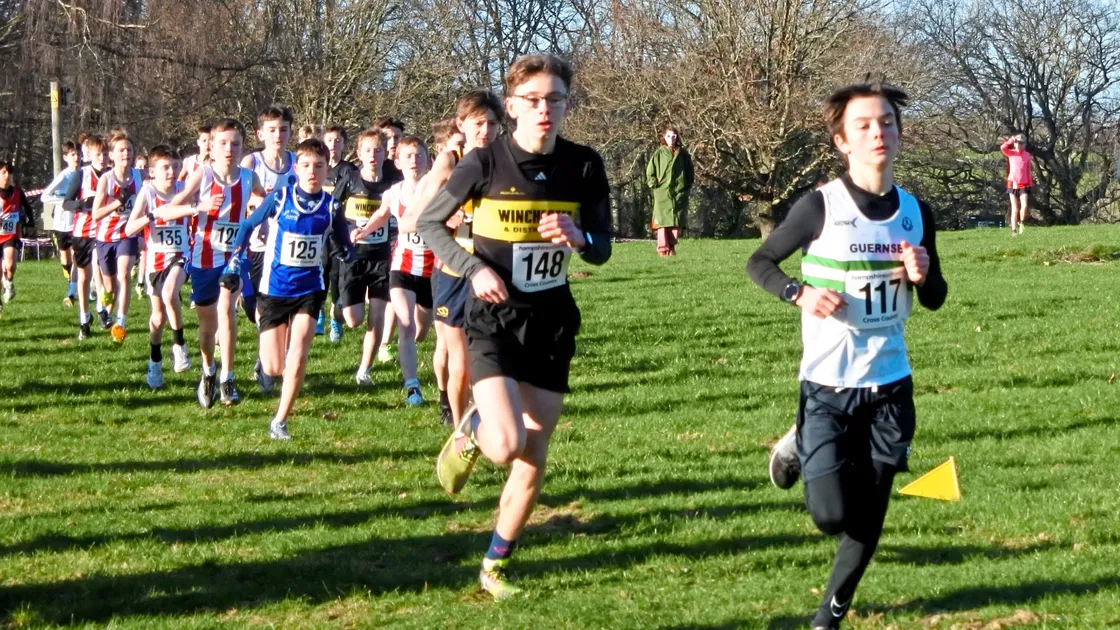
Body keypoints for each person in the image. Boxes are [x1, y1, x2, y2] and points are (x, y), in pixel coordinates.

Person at [746, 80, 948, 630]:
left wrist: (923, 275)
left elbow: (935, 298)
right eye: (864, 125)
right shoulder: (820, 207)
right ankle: (799, 442)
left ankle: (828, 617)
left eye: (886, 122)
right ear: (842, 141)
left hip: (891, 384)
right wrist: (800, 293)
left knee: (870, 512)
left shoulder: (915, 211)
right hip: (828, 384)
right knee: (832, 516)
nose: (878, 132)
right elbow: (759, 263)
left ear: (900, 133)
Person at [419, 54, 613, 600]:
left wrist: (579, 238)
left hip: (551, 324)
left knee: (533, 452)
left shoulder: (585, 165)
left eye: (555, 99)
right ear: (512, 107)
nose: (544, 109)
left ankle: (494, 565)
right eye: (532, 100)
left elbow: (603, 247)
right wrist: (474, 268)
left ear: (567, 105)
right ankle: (472, 428)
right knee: (505, 443)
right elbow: (429, 225)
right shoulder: (483, 162)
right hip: (494, 319)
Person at [226, 138, 354, 439]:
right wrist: (235, 259)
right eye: (306, 165)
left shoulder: (332, 205)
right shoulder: (280, 198)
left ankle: (280, 421)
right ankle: (265, 363)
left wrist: (349, 255)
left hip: (310, 290)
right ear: (296, 168)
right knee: (274, 367)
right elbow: (247, 226)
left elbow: (344, 243)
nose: (312, 172)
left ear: (326, 171)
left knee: (298, 354)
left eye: (319, 166)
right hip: (274, 289)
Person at [162, 117, 266, 408]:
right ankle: (209, 372)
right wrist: (199, 207)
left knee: (227, 309)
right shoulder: (203, 175)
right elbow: (169, 210)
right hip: (203, 258)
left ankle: (228, 379)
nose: (230, 149)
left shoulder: (248, 177)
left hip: (235, 257)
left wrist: (260, 214)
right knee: (208, 329)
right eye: (223, 143)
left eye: (236, 143)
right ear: (213, 146)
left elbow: (263, 197)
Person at [414, 92, 502, 430]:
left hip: (491, 271)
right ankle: (460, 427)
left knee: (488, 356)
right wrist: (446, 214)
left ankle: (484, 419)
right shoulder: (449, 161)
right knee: (461, 362)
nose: (485, 131)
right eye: (478, 123)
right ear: (461, 125)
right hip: (452, 271)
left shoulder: (503, 161)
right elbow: (415, 218)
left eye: (492, 124)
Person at [330, 128, 394, 385]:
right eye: (367, 150)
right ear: (359, 154)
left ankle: (364, 370)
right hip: (354, 257)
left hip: (381, 258)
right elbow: (332, 212)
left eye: (378, 150)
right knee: (354, 320)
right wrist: (346, 234)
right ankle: (337, 310)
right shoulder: (350, 180)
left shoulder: (392, 183)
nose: (373, 156)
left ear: (384, 153)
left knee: (377, 315)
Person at [124, 145, 192, 387]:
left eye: (175, 167)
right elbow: (129, 229)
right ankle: (154, 360)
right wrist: (153, 215)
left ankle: (180, 345)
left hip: (181, 255)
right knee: (158, 317)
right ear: (152, 171)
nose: (172, 172)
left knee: (169, 292)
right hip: (155, 260)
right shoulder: (148, 193)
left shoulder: (184, 190)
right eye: (166, 167)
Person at [384, 136, 434, 406]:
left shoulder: (440, 191)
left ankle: (409, 355)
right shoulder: (393, 193)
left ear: (428, 160)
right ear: (398, 162)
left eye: (419, 156)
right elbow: (382, 214)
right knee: (406, 325)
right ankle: (412, 386)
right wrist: (363, 230)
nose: (414, 161)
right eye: (409, 156)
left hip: (432, 271)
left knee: (420, 332)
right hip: (402, 267)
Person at [242, 106, 296, 331]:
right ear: (260, 134)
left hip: (286, 245)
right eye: (272, 130)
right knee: (253, 306)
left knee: (278, 302)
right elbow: (239, 200)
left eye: (283, 130)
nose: (278, 136)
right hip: (256, 244)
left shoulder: (297, 162)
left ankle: (269, 358)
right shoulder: (251, 163)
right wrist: (262, 204)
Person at [91, 132, 144, 343]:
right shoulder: (106, 179)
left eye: (129, 150)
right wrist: (116, 203)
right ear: (112, 155)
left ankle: (120, 322)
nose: (126, 153)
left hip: (127, 234)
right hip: (105, 236)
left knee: (124, 276)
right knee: (110, 287)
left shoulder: (139, 177)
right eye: (121, 150)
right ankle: (104, 304)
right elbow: (95, 214)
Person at [63, 135, 111, 338]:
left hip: (105, 232)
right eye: (98, 154)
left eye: (105, 154)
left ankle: (101, 307)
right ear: (89, 155)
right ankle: (84, 318)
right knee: (84, 277)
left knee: (104, 273)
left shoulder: (111, 175)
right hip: (83, 233)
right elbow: (66, 203)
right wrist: (82, 203)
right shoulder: (82, 175)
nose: (102, 158)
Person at [323, 124, 357, 343]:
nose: (333, 145)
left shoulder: (348, 171)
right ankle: (316, 314)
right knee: (319, 275)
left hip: (337, 231)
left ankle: (335, 319)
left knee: (335, 278)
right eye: (329, 140)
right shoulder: (317, 167)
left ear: (344, 144)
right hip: (318, 231)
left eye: (337, 140)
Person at [41, 141, 81, 307]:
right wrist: (64, 201)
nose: (77, 157)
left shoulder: (84, 174)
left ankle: (71, 292)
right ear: (65, 157)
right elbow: (44, 196)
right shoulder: (63, 177)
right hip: (61, 224)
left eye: (78, 154)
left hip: (78, 224)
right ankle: (70, 281)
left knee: (77, 258)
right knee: (66, 260)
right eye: (72, 154)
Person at [646, 125, 693, 256]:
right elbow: (650, 171)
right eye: (668, 136)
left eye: (673, 136)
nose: (671, 139)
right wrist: (655, 184)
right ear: (664, 138)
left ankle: (671, 247)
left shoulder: (683, 154)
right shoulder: (658, 153)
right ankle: (662, 249)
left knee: (675, 221)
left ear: (677, 137)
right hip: (662, 192)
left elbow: (690, 172)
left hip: (679, 192)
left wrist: (686, 185)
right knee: (662, 222)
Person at [0, 162, 31, 312]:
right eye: (3, 173)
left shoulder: (17, 192)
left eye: (9, 173)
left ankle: (9, 283)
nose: (7, 176)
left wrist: (30, 221)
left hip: (10, 234)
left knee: (10, 266)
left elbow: (27, 207)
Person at [1001, 134, 1032, 235]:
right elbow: (1003, 147)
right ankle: (1014, 230)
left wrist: (1029, 183)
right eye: (1017, 142)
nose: (1019, 145)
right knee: (1015, 208)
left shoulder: (1027, 155)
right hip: (1012, 183)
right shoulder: (1011, 153)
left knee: (1025, 204)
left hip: (1024, 183)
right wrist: (1011, 140)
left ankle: (1022, 222)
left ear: (1025, 144)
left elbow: (1028, 170)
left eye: (1021, 143)